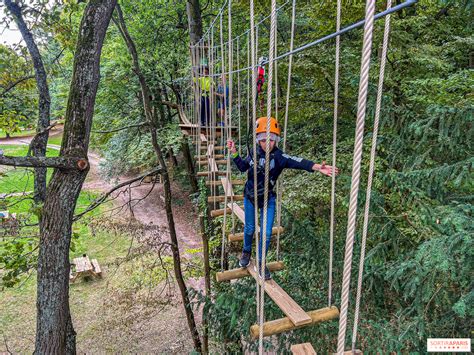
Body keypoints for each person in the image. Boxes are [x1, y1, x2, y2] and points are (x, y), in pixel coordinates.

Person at [227, 116, 339, 280]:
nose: (268, 143)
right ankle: (246, 251)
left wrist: (317, 167)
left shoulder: (279, 157)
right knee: (250, 228)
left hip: (267, 198)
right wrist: (235, 153)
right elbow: (243, 167)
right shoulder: (253, 154)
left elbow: (298, 161)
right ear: (258, 140)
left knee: (266, 233)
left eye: (272, 139)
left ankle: (261, 261)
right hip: (250, 196)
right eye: (264, 140)